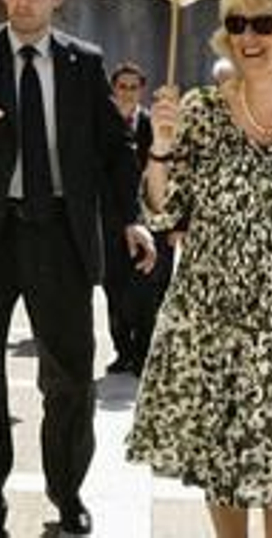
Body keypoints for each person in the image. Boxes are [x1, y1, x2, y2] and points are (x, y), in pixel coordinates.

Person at [127, 0, 272, 538]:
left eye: (264, 24)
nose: (248, 37)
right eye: (236, 24)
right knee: (223, 476)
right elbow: (163, 213)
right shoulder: (200, 111)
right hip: (211, 320)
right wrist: (159, 146)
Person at [0, 0, 152, 537]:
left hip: (61, 233)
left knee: (71, 378)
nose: (24, 0)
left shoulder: (84, 63)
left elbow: (114, 150)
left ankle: (66, 490)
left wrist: (132, 217)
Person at [105, 61, 166, 375]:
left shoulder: (151, 124)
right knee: (113, 291)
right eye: (122, 86)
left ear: (142, 89)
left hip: (147, 220)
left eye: (133, 87)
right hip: (110, 222)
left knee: (144, 293)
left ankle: (142, 354)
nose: (128, 92)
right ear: (114, 89)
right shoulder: (102, 123)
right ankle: (122, 351)